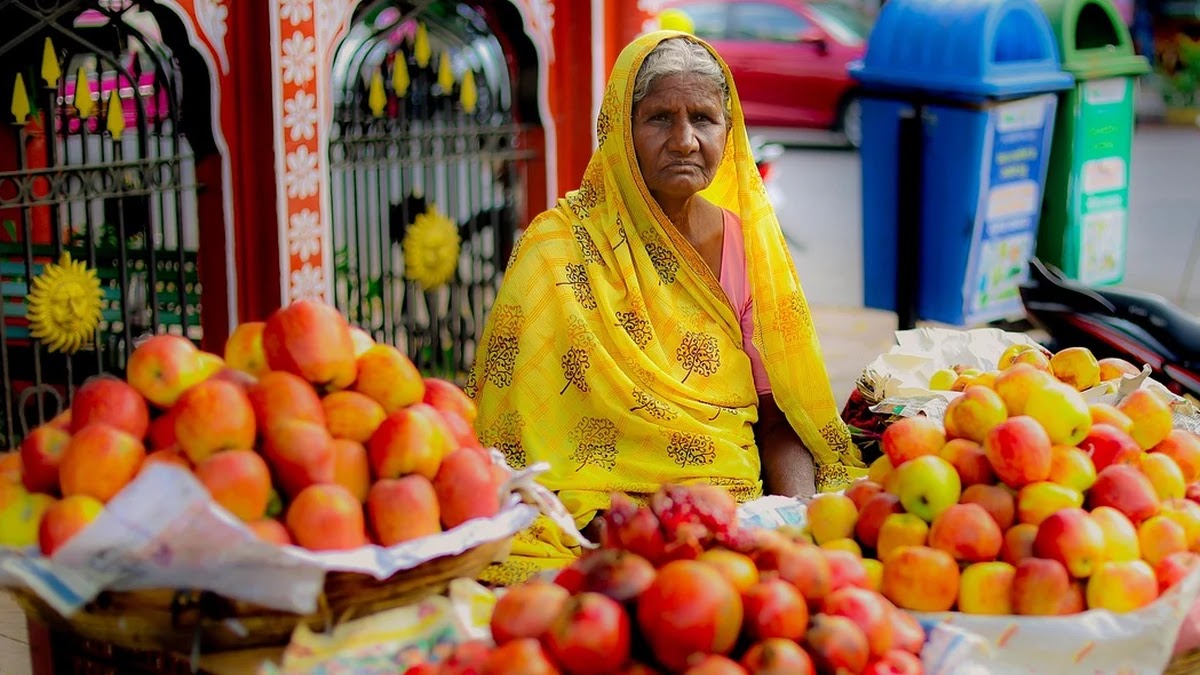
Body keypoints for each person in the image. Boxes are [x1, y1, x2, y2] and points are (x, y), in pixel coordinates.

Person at [467, 31, 866, 584]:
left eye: (703, 118)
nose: (683, 140)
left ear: (729, 132)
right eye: (659, 118)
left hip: (725, 516)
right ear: (620, 132)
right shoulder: (556, 249)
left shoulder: (748, 248)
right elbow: (507, 434)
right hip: (596, 528)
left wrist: (791, 522)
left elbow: (781, 418)